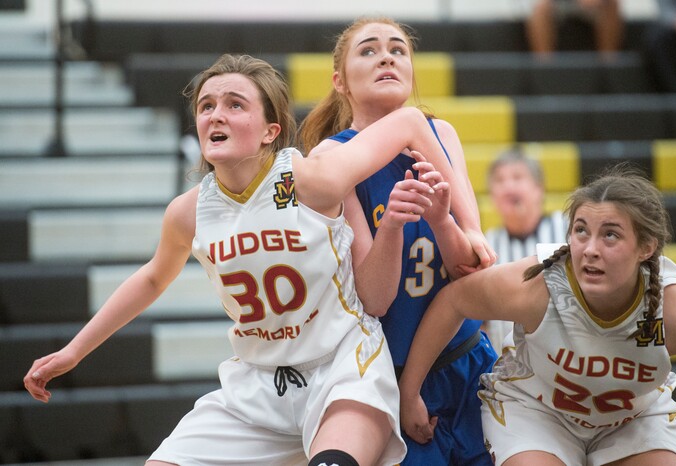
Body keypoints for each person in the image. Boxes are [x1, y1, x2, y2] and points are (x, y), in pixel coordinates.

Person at [23, 54, 478, 466]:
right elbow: (151, 280)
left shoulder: (308, 179)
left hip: (343, 369)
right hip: (258, 385)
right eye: (206, 106)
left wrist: (470, 225)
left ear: (270, 131)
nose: (215, 114)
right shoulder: (189, 211)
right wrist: (73, 351)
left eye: (235, 104)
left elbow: (412, 122)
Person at [400, 165, 676, 465]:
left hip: (633, 419)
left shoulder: (673, 306)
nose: (590, 249)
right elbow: (453, 301)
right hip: (538, 413)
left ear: (646, 248)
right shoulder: (539, 284)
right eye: (581, 231)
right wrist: (409, 393)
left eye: (610, 235)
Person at [300, 17, 498, 465]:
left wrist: (441, 220)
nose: (386, 56)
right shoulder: (331, 159)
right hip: (391, 377)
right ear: (339, 82)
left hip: (466, 361)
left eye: (398, 49)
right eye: (368, 50)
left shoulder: (442, 134)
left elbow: (474, 265)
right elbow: (374, 298)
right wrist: (390, 226)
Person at [483, 148, 568, 353]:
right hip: (508, 369)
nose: (508, 186)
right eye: (500, 180)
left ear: (539, 189)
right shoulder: (487, 242)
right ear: (492, 195)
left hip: (567, 358)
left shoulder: (568, 228)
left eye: (517, 177)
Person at [523, 0, 624, 59]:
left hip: (594, 6)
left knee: (611, 4)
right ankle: (545, 67)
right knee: (540, 8)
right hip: (557, 4)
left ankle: (608, 65)